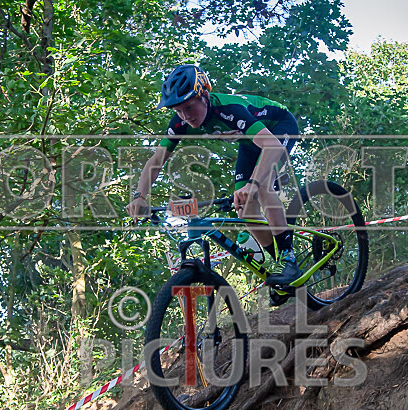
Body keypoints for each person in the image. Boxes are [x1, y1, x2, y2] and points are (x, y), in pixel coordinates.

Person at [126, 64, 301, 285]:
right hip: (251, 139)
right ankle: (280, 269)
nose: (185, 116)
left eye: (189, 107)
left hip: (278, 126)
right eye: (178, 110)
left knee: (263, 187)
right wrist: (139, 197)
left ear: (205, 96)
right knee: (245, 209)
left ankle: (289, 258)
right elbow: (156, 160)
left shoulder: (229, 110)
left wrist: (254, 184)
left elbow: (272, 146)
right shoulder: (180, 122)